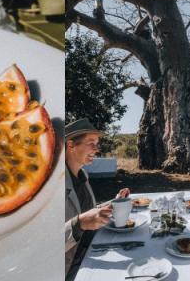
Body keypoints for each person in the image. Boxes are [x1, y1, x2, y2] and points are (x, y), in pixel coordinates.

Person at [65, 119, 130, 280]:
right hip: (69, 268)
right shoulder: (52, 185)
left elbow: (88, 212)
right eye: (91, 143)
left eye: (97, 143)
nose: (97, 148)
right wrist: (78, 224)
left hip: (92, 250)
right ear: (71, 145)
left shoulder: (83, 176)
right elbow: (40, 245)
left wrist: (114, 202)